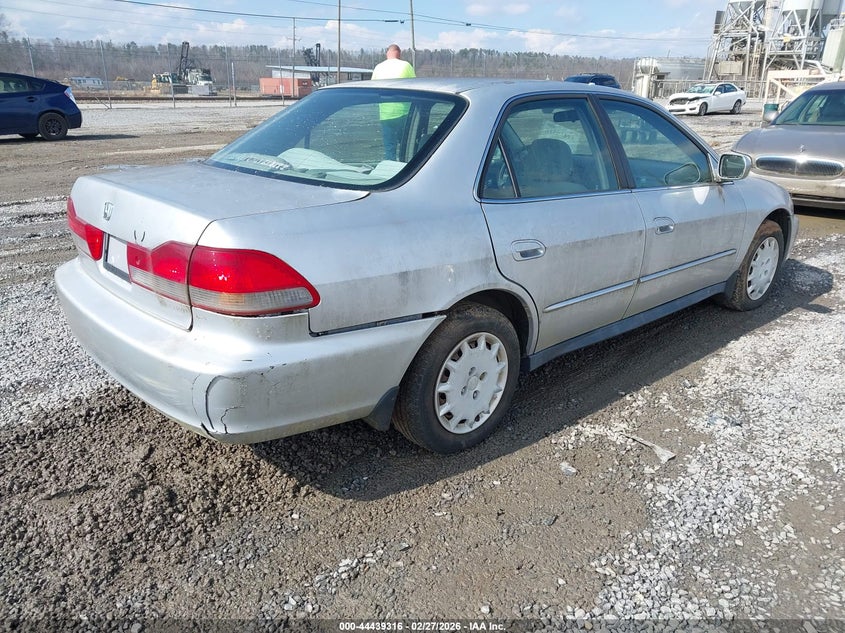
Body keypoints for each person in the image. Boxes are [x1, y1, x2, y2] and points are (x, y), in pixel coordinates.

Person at [372, 44, 416, 160]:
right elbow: (416, 87)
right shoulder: (406, 66)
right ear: (399, 53)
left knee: (389, 148)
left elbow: (372, 89)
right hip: (404, 114)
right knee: (406, 148)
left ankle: (391, 170)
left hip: (385, 116)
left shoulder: (378, 68)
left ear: (387, 53)